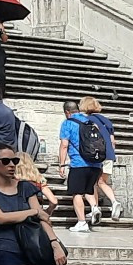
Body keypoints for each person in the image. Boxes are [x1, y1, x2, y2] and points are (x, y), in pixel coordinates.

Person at [57, 99, 102, 233]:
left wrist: (62, 164)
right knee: (88, 190)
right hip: (95, 163)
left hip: (78, 163)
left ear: (67, 112)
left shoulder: (67, 123)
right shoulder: (92, 122)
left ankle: (82, 222)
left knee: (77, 193)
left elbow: (64, 145)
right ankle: (94, 207)